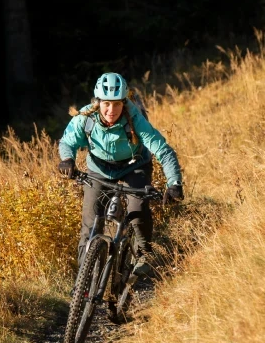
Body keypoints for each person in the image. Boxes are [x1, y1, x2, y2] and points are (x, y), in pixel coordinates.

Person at [58, 71, 183, 277]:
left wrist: (174, 183)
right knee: (90, 224)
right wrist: (67, 159)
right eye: (106, 103)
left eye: (117, 104)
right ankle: (84, 280)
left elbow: (163, 150)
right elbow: (67, 142)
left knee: (137, 210)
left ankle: (144, 255)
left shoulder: (134, 117)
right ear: (98, 102)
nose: (111, 110)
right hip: (99, 170)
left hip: (135, 166)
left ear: (124, 103)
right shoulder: (86, 118)